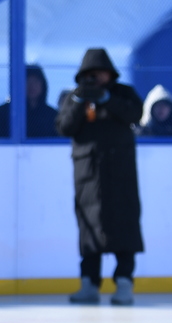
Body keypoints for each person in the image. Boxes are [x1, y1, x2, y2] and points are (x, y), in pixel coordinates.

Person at [55, 48, 144, 306]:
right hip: (88, 179)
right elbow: (64, 127)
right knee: (89, 230)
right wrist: (81, 101)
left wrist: (106, 99)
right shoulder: (75, 97)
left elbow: (135, 114)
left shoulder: (122, 93)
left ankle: (124, 282)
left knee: (125, 227)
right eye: (90, 75)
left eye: (100, 74)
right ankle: (89, 284)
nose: (95, 79)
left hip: (121, 177)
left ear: (110, 74)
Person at [0, 64, 59, 138]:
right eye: (27, 81)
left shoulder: (52, 116)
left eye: (36, 81)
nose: (32, 86)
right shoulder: (4, 113)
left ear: (43, 85)